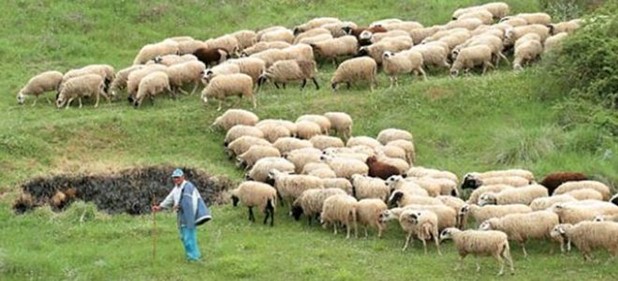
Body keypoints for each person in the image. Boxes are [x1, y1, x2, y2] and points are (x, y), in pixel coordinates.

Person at [152, 168, 202, 262]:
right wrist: (159, 207)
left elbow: (189, 202)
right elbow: (169, 199)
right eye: (174, 177)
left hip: (189, 216)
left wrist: (179, 205)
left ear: (183, 177)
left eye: (178, 177)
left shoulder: (188, 187)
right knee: (184, 237)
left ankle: (193, 258)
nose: (176, 179)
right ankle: (194, 255)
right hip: (181, 216)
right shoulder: (176, 188)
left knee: (189, 237)